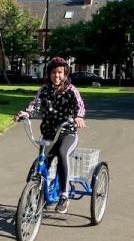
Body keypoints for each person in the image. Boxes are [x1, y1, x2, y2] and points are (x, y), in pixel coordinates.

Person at [15, 57, 86, 214]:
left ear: (65, 73)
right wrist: (26, 113)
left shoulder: (71, 90)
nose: (57, 75)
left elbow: (79, 106)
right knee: (42, 162)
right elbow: (35, 105)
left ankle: (64, 194)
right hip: (48, 134)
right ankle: (38, 192)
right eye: (54, 72)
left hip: (67, 134)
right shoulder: (44, 90)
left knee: (62, 154)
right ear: (49, 74)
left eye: (60, 72)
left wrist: (79, 117)